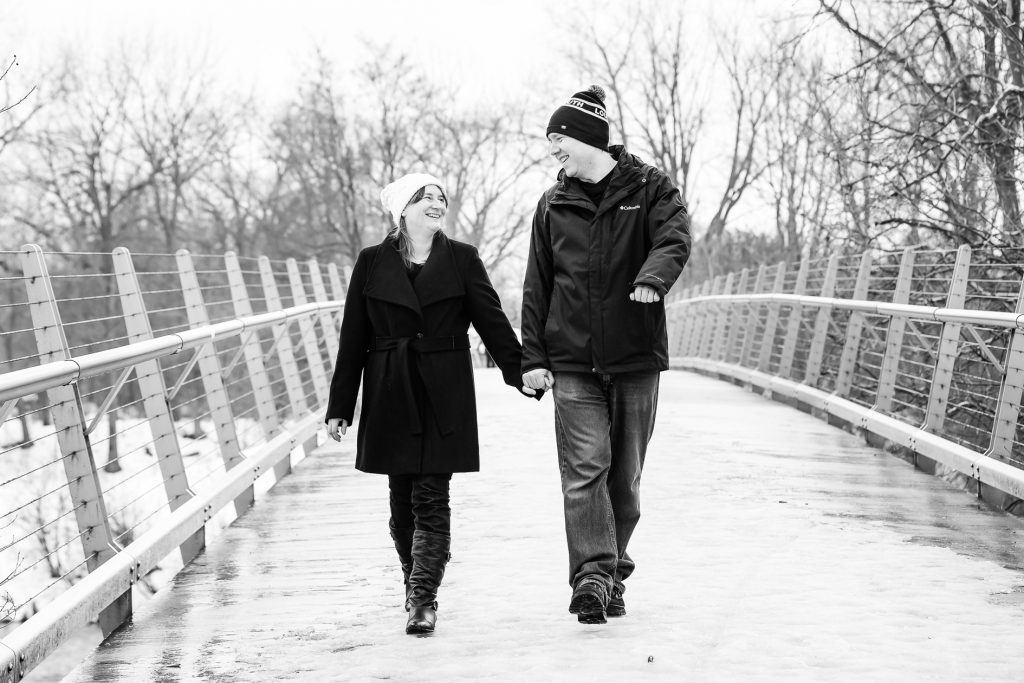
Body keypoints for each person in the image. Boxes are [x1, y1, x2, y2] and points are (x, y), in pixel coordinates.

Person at [325, 172, 540, 635]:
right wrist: (341, 404)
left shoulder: (462, 258)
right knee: (401, 501)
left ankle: (423, 599)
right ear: (403, 209)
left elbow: (491, 320)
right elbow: (353, 336)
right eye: (425, 197)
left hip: (444, 389)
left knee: (432, 496)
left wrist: (521, 370)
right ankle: (413, 581)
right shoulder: (371, 261)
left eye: (441, 197)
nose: (437, 202)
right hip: (390, 386)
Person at [521, 86, 691, 624]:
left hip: (635, 355)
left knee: (625, 480)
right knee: (584, 470)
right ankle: (593, 577)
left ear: (588, 138)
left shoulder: (651, 187)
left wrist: (653, 278)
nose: (554, 151)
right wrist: (533, 358)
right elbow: (537, 285)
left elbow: (674, 237)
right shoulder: (552, 204)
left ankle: (613, 570)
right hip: (571, 360)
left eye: (559, 139)